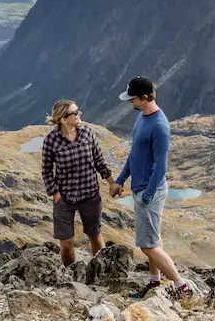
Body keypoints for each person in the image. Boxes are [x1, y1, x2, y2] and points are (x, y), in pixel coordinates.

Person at [110, 76, 193, 300]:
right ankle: (155, 283)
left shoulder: (159, 126)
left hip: (150, 191)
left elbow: (161, 166)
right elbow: (134, 154)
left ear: (145, 97)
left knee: (148, 246)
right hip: (141, 189)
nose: (130, 102)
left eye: (133, 98)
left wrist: (147, 195)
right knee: (153, 241)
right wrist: (120, 180)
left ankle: (182, 287)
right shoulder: (141, 118)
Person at [41, 99, 117, 267]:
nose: (79, 115)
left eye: (78, 111)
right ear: (62, 119)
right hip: (64, 199)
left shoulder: (88, 133)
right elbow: (46, 171)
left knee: (95, 235)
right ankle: (70, 276)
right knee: (66, 245)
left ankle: (102, 271)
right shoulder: (51, 140)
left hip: (90, 195)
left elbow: (99, 162)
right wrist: (55, 194)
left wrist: (112, 182)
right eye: (74, 113)